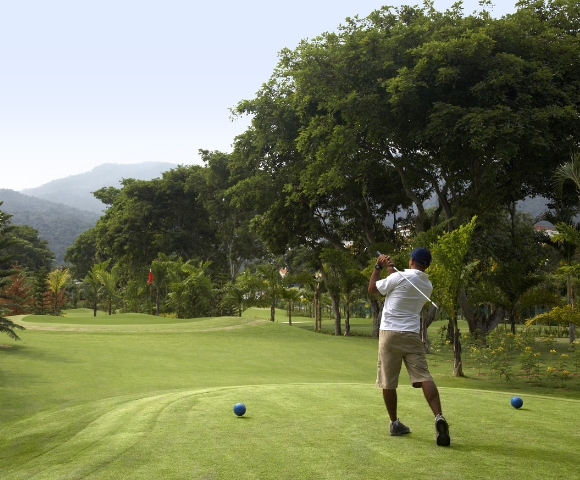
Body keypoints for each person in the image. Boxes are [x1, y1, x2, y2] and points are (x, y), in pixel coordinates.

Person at [368, 247, 450, 447]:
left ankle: (394, 423)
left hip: (389, 334)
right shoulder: (426, 284)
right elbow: (398, 285)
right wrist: (392, 269)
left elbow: (373, 289)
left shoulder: (400, 277)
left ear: (412, 260)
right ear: (427, 265)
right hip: (412, 334)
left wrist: (378, 266)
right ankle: (438, 416)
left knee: (388, 381)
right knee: (424, 377)